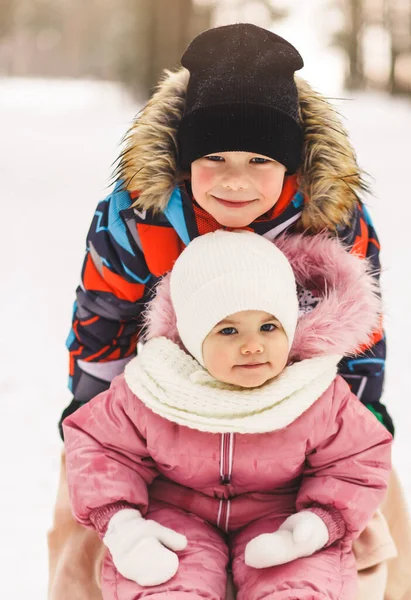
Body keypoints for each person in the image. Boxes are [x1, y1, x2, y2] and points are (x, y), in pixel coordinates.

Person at [48, 23, 411, 600]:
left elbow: (359, 332)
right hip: (165, 412)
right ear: (183, 157)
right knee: (86, 534)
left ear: (292, 166)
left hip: (298, 408)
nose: (234, 181)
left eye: (260, 160)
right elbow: (103, 318)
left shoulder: (331, 218)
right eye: (214, 157)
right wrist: (95, 429)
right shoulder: (135, 217)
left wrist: (360, 419)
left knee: (368, 537)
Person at [63, 230, 393, 600]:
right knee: (165, 581)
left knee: (300, 582)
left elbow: (356, 458)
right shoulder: (155, 386)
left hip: (280, 519)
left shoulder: (313, 391)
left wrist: (321, 521)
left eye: (269, 326)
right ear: (192, 336)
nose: (252, 345)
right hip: (176, 515)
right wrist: (121, 522)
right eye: (228, 330)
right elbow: (101, 447)